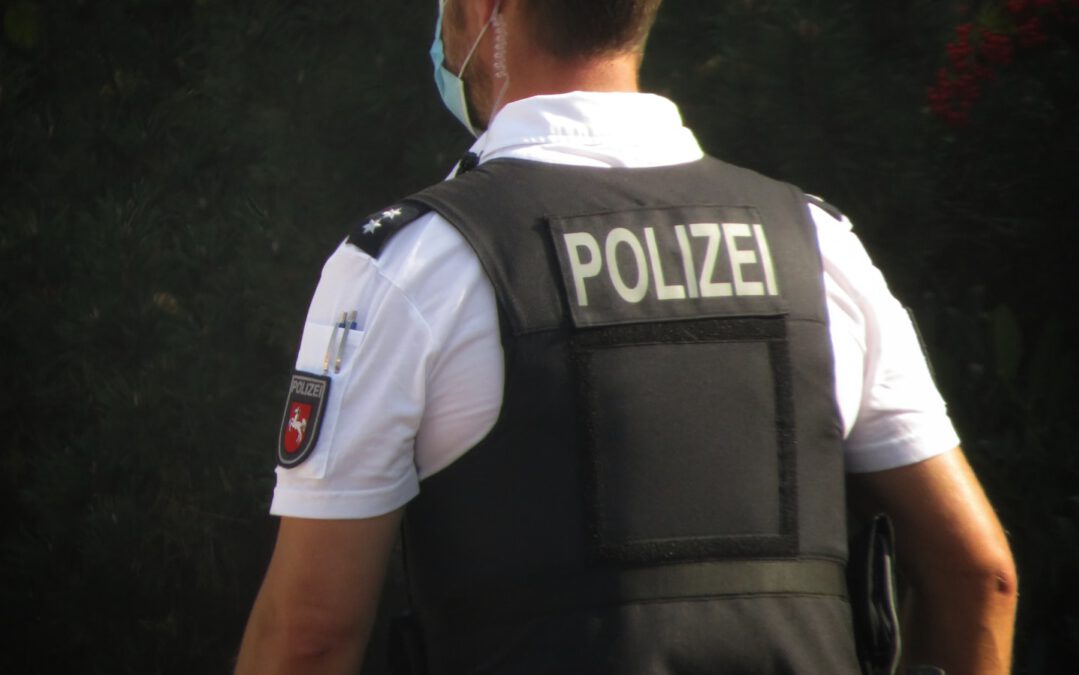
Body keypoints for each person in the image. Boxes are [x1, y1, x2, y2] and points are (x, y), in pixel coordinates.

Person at [235, 1, 1018, 673]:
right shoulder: (816, 246)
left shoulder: (411, 267)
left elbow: (309, 638)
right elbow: (979, 576)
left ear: (484, 10)